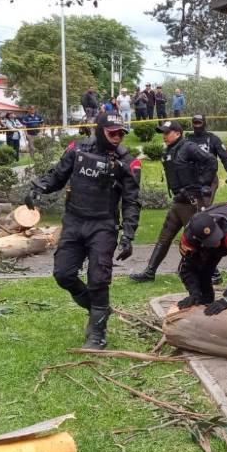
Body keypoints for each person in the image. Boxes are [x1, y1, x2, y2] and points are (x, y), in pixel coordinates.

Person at [25, 113, 141, 349]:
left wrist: (128, 235)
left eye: (121, 133)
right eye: (112, 132)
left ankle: (97, 333)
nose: (117, 137)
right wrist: (39, 188)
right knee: (63, 274)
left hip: (103, 225)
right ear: (99, 130)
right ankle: (97, 308)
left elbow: (131, 200)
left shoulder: (127, 162)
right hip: (74, 222)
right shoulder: (77, 149)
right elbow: (58, 176)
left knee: (99, 278)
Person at [130, 119, 218, 283]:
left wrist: (204, 184)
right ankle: (150, 272)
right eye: (163, 133)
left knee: (198, 237)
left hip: (192, 201)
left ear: (178, 133)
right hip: (179, 200)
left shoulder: (188, 147)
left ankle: (214, 273)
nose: (164, 136)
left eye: (167, 132)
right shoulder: (170, 150)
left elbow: (211, 161)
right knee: (165, 236)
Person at [187, 114, 227, 196]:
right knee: (191, 205)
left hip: (209, 177)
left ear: (204, 123)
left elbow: (225, 158)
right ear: (192, 124)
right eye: (195, 123)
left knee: (205, 205)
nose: (197, 125)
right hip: (192, 177)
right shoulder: (188, 139)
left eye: (199, 123)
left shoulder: (213, 139)